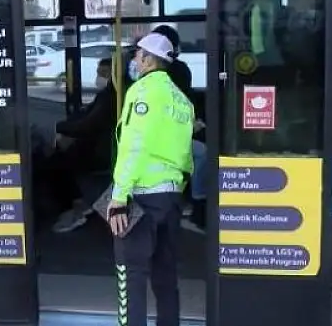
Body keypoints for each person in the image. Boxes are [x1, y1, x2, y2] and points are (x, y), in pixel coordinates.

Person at [107, 30, 194, 326]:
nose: (134, 60)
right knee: (166, 277)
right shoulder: (182, 101)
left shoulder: (142, 92)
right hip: (171, 198)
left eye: (137, 55)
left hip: (141, 197)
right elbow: (187, 158)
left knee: (130, 277)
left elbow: (134, 146)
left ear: (147, 59)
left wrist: (119, 197)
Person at [40, 57, 120, 233]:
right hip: (98, 145)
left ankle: (76, 206)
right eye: (99, 73)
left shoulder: (111, 97)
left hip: (102, 152)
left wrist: (59, 127)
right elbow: (85, 116)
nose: (100, 77)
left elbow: (88, 125)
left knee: (55, 163)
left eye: (104, 73)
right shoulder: (107, 94)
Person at [151, 25, 207, 232]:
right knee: (203, 153)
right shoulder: (170, 71)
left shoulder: (155, 69)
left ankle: (191, 202)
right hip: (160, 136)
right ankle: (198, 205)